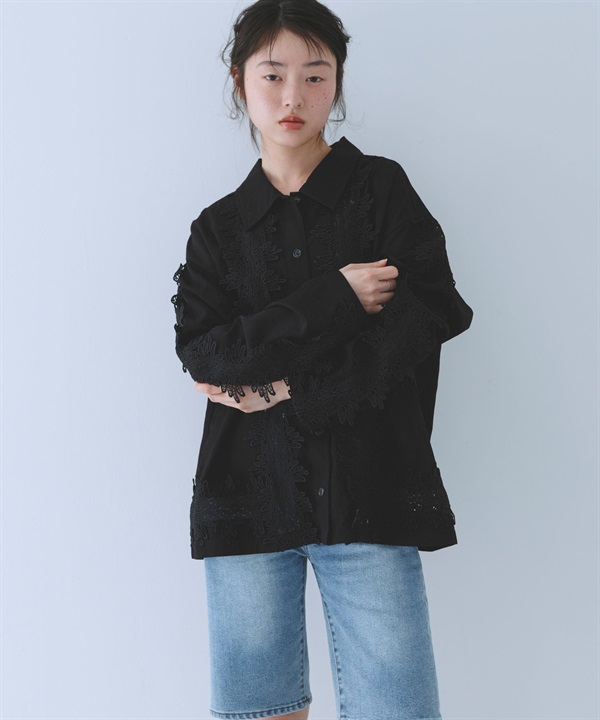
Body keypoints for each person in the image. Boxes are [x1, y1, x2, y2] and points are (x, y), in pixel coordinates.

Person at [172, 1, 473, 718]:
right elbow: (207, 354)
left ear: (337, 82)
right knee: (259, 711)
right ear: (240, 80)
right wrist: (332, 297)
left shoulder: (381, 192)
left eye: (315, 75)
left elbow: (428, 315)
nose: (293, 97)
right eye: (272, 74)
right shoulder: (217, 230)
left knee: (398, 709)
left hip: (370, 492)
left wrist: (285, 387)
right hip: (247, 499)